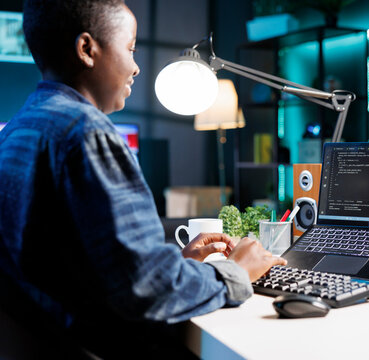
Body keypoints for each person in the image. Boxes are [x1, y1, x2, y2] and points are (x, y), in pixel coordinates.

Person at [0, 0, 286, 357]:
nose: (136, 67)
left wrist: (173, 267)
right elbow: (145, 290)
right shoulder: (86, 133)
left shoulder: (16, 130)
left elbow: (83, 268)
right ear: (87, 49)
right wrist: (235, 271)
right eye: (130, 49)